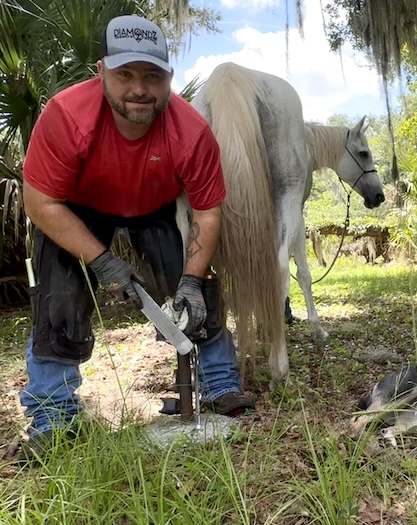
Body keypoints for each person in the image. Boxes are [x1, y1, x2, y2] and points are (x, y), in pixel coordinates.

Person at [17, 14, 253, 458]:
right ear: (101, 72)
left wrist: (190, 281)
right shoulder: (66, 116)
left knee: (197, 292)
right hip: (76, 208)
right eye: (125, 74)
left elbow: (206, 208)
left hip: (155, 206)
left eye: (152, 76)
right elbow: (40, 203)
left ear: (168, 79)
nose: (139, 89)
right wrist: (103, 261)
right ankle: (53, 416)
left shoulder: (192, 133)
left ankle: (220, 385)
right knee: (59, 298)